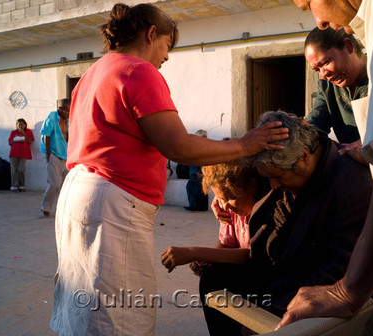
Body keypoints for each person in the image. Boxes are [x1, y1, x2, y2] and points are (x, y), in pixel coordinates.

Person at [49, 4, 289, 336]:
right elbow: (179, 146)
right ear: (151, 34)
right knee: (118, 318)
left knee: (89, 309)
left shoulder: (93, 73)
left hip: (79, 194)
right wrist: (246, 145)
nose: (166, 57)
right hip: (111, 202)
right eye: (166, 46)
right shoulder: (138, 71)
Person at [279, 1, 373, 334]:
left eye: (308, 4)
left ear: (348, 49)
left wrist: (349, 290)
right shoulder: (332, 83)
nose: (319, 20)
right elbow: (311, 126)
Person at [198, 111, 373, 336]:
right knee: (217, 279)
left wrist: (274, 310)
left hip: (334, 295)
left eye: (278, 177)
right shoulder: (289, 171)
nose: (274, 186)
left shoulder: (351, 186)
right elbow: (274, 240)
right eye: (269, 179)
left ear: (305, 156)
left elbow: (336, 272)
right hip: (289, 279)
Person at [161, 160, 270, 273]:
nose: (226, 206)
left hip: (263, 273)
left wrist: (194, 253)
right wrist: (205, 260)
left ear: (252, 186)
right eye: (221, 199)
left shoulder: (266, 210)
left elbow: (252, 255)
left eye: (230, 198)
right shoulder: (230, 211)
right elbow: (226, 244)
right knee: (210, 276)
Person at [304, 27, 368, 163]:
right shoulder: (328, 87)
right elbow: (315, 126)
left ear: (348, 46)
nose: (323, 74)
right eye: (317, 69)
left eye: (326, 63)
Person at [40, 99, 70, 217]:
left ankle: (63, 209)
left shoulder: (70, 120)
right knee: (54, 184)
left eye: (70, 109)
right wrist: (48, 154)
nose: (69, 112)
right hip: (54, 154)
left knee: (65, 185)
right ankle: (45, 207)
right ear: (60, 109)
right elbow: (46, 135)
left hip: (66, 155)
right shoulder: (51, 118)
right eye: (67, 110)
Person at [184, 129, 209, 211]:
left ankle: (195, 205)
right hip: (197, 173)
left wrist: (204, 174)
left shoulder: (207, 148)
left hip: (202, 174)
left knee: (194, 183)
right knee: (194, 183)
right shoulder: (193, 148)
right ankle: (196, 205)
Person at [8, 118, 34, 192]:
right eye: (18, 124)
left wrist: (24, 134)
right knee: (14, 170)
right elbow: (10, 142)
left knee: (21, 169)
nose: (20, 125)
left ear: (25, 125)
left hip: (23, 154)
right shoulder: (13, 132)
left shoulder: (28, 131)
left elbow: (30, 141)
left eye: (21, 124)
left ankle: (21, 186)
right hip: (14, 153)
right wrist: (16, 139)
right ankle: (14, 186)